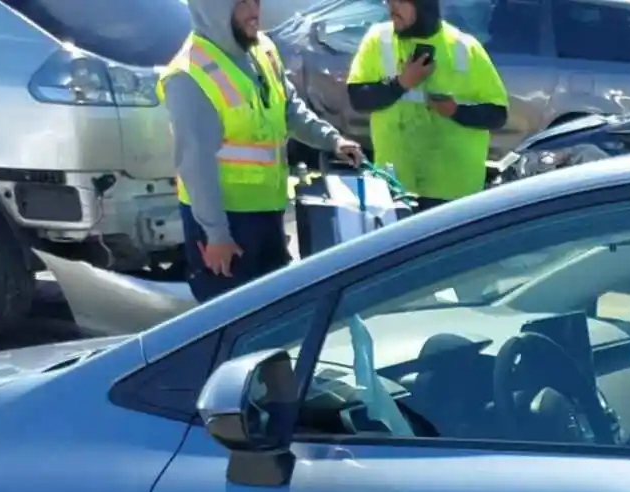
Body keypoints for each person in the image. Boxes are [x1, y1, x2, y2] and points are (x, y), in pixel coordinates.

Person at [161, 0, 364, 301]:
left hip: (267, 216)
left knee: (273, 315)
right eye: (241, 3)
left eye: (255, 1)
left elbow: (290, 110)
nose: (254, 10)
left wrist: (332, 140)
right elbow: (195, 165)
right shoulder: (188, 75)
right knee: (231, 321)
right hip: (226, 226)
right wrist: (217, 235)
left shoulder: (263, 49)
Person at [347, 0, 510, 212]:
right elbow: (358, 98)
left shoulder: (463, 47)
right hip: (396, 185)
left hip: (453, 191)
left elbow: (498, 114)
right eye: (389, 1)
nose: (391, 9)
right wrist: (400, 84)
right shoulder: (378, 40)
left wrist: (456, 111)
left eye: (400, 2)